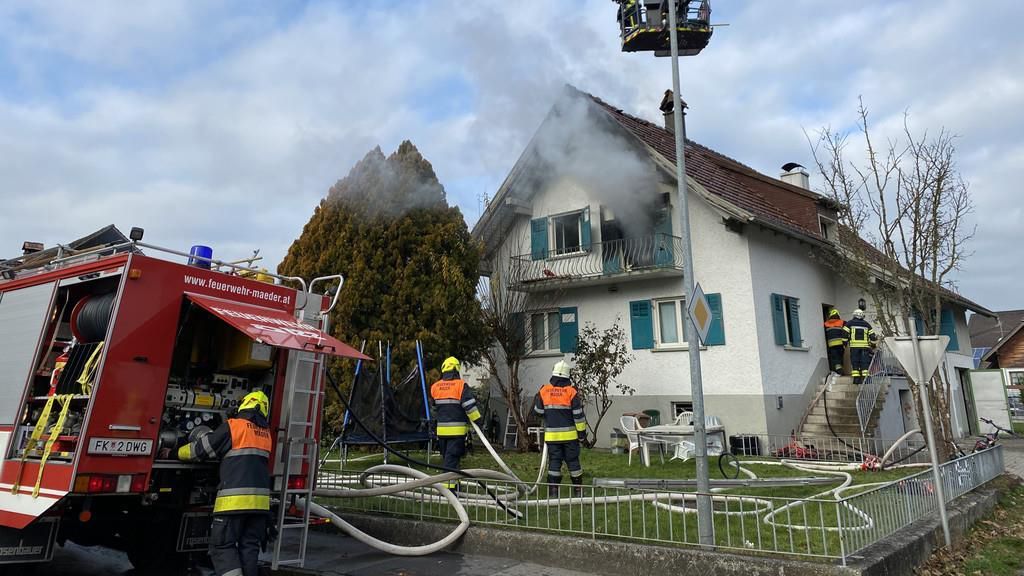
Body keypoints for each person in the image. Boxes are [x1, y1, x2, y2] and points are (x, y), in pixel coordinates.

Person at [178, 390, 272, 576]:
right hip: (260, 506)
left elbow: (200, 450)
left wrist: (175, 452)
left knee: (222, 546)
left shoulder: (233, 426)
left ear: (244, 405)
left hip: (233, 503)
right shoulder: (266, 434)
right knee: (249, 547)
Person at [534, 360, 587, 498]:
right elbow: (578, 416)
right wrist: (582, 435)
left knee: (554, 462)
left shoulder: (544, 391)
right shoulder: (571, 392)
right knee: (573, 461)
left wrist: (540, 400)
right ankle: (578, 491)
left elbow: (538, 412)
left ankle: (553, 492)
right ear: (567, 376)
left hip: (552, 437)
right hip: (570, 437)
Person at [429, 357, 481, 487]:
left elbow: (433, 410)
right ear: (456, 369)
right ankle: (448, 490)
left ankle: (455, 485)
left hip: (441, 432)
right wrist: (478, 422)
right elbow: (470, 407)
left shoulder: (435, 387)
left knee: (449, 458)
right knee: (451, 460)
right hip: (457, 432)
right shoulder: (461, 385)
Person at [846, 309, 878, 384]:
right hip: (864, 347)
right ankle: (866, 380)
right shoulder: (866, 324)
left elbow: (844, 333)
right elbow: (872, 337)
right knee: (865, 362)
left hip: (854, 348)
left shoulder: (849, 323)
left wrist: (844, 343)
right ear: (862, 316)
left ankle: (856, 379)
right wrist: (873, 345)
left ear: (854, 315)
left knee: (855, 362)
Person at [823, 308, 848, 375]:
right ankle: (840, 370)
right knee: (840, 356)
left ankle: (838, 370)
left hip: (831, 344)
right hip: (840, 343)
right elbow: (847, 331)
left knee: (835, 358)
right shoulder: (843, 322)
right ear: (838, 315)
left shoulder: (825, 324)